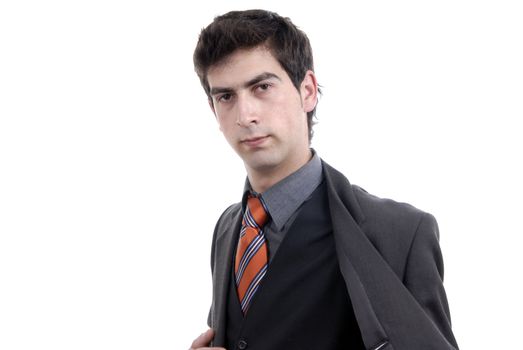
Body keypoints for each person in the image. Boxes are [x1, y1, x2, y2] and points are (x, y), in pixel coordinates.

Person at [190, 9, 458, 350]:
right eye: (226, 96)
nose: (246, 115)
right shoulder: (227, 229)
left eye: (262, 87)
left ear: (308, 91)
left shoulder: (400, 232)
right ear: (214, 110)